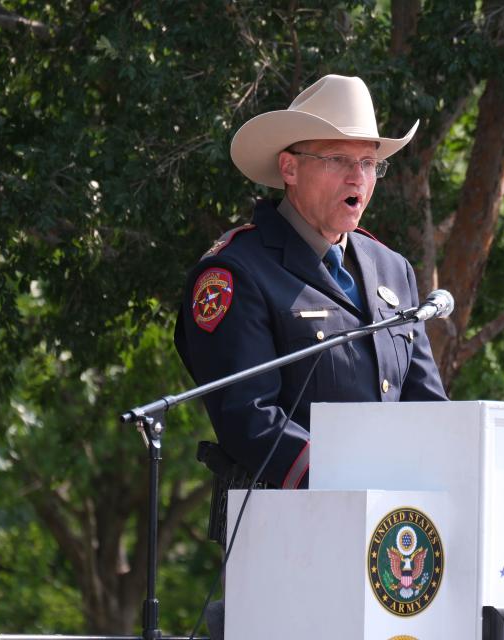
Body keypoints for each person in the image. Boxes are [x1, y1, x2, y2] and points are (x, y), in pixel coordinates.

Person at [174, 74, 447, 496]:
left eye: (369, 163)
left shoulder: (393, 269)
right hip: (289, 527)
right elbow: (248, 418)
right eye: (338, 159)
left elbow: (427, 408)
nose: (358, 177)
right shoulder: (236, 272)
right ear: (289, 167)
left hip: (393, 525)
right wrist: (354, 482)